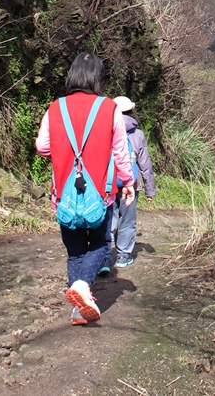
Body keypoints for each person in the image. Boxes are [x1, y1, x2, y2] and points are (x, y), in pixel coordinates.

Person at [35, 52, 135, 326]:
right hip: (100, 194)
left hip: (65, 193)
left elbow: (42, 147)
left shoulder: (55, 108)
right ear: (97, 78)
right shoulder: (109, 108)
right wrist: (128, 183)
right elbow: (120, 152)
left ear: (73, 75)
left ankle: (78, 309)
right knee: (101, 243)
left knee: (76, 250)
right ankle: (81, 286)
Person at [100, 96, 156, 271]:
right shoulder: (138, 135)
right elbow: (145, 164)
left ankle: (104, 258)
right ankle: (123, 256)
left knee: (108, 219)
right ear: (131, 111)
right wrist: (150, 189)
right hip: (131, 184)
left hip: (107, 184)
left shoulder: (103, 131)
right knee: (128, 220)